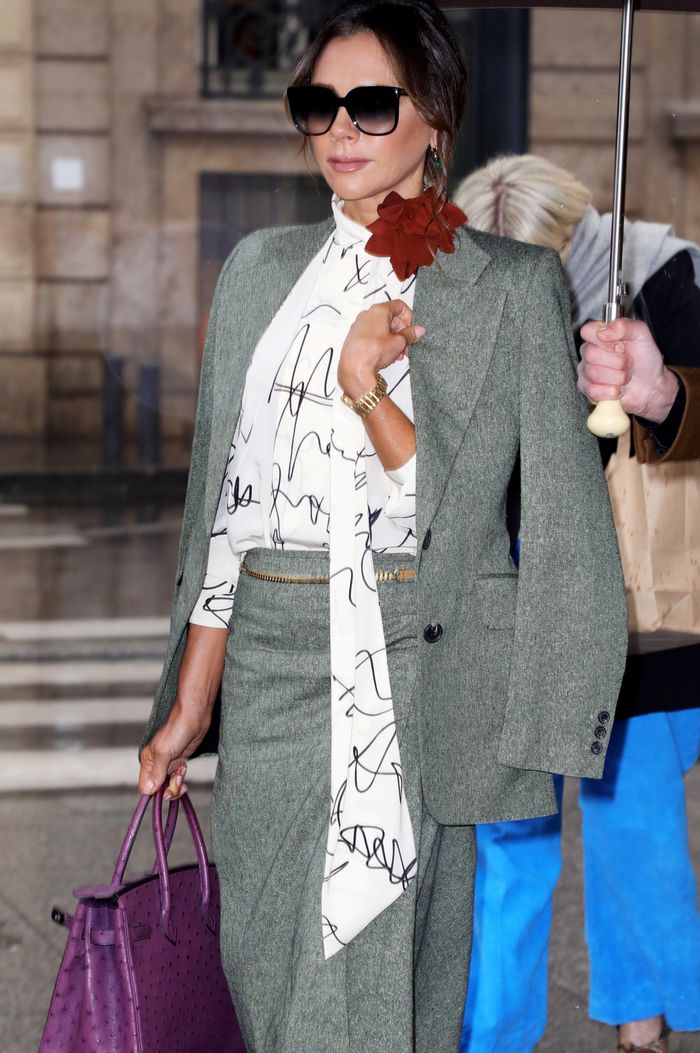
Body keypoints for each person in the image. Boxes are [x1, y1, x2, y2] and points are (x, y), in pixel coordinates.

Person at [137, 9, 627, 1051]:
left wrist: (367, 393)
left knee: (360, 996)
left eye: (369, 104)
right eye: (318, 105)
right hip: (264, 672)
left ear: (435, 117)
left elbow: (516, 514)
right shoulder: (261, 270)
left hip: (405, 659)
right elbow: (231, 504)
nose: (339, 130)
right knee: (267, 979)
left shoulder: (503, 285)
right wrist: (191, 702)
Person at [455, 153, 700, 1053]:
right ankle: (489, 1037)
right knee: (505, 826)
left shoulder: (661, 276)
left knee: (631, 817)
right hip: (514, 586)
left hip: (634, 601)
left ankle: (645, 1026)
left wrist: (658, 389)